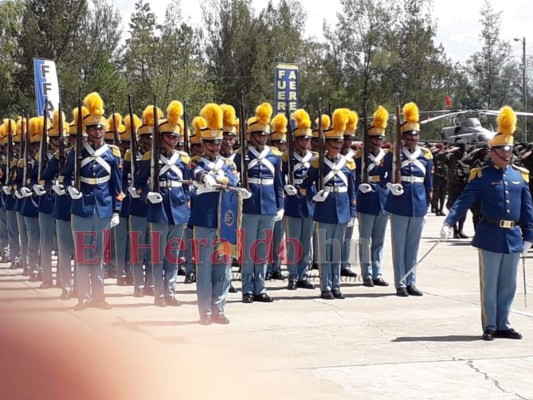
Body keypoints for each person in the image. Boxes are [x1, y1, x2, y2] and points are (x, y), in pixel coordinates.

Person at [441, 106, 533, 341]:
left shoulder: (519, 176)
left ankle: (504, 323)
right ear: (492, 152)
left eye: (509, 149)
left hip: (512, 236)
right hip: (490, 234)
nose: (507, 153)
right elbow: (464, 200)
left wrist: (529, 236)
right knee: (489, 284)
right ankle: (490, 324)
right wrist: (450, 221)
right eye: (502, 149)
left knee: (508, 285)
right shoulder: (481, 176)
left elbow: (527, 208)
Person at [62, 92, 123, 310]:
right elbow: (64, 175)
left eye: (100, 128)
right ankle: (84, 297)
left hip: (104, 207)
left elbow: (118, 186)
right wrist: (70, 188)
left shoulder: (112, 153)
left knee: (97, 256)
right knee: (82, 255)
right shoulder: (76, 152)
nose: (98, 132)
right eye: (93, 128)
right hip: (82, 207)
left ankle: (99, 297)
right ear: (86, 131)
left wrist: (117, 209)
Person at [136, 101, 190, 307]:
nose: (173, 140)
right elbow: (139, 183)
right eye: (169, 136)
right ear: (161, 138)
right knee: (157, 256)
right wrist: (147, 195)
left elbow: (187, 183)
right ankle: (159, 294)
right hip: (158, 210)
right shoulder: (150, 157)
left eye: (176, 137)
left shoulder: (183, 158)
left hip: (178, 209)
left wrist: (186, 201)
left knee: (173, 256)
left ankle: (171, 292)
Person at [189, 103, 240, 324]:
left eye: (218, 142)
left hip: (225, 222)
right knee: (204, 269)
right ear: (203, 143)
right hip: (204, 222)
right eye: (210, 142)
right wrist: (207, 177)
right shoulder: (195, 162)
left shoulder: (228, 164)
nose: (215, 146)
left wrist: (227, 181)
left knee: (223, 268)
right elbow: (196, 172)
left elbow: (235, 179)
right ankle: (205, 312)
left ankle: (219, 308)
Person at [301, 109, 357, 300]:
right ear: (327, 143)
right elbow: (305, 187)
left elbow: (351, 191)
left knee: (337, 251)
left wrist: (352, 212)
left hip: (342, 209)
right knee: (325, 252)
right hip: (325, 210)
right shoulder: (318, 164)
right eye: (335, 142)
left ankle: (336, 285)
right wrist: (314, 196)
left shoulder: (347, 164)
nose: (339, 145)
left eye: (341, 142)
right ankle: (326, 286)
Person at [234, 102, 283, 304]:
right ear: (251, 136)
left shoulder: (274, 156)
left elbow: (279, 183)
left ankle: (259, 288)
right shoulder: (241, 156)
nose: (263, 138)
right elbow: (235, 179)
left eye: (265, 135)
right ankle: (247, 288)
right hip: (249, 206)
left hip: (269, 207)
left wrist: (280, 205)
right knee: (248, 251)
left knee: (262, 250)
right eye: (259, 135)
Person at [384, 102, 433, 297]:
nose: (413, 138)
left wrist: (427, 205)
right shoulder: (394, 154)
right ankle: (400, 283)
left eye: (416, 135)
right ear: (403, 137)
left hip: (419, 204)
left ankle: (411, 281)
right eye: (409, 135)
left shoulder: (426, 156)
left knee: (413, 246)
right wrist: (391, 186)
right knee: (399, 245)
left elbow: (429, 183)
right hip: (399, 204)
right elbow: (381, 175)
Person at [355, 106, 392, 287]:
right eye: (374, 138)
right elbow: (353, 178)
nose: (377, 141)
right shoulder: (359, 157)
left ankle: (377, 272)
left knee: (379, 241)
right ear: (367, 139)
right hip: (366, 201)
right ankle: (367, 273)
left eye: (380, 138)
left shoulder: (387, 157)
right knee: (365, 239)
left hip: (383, 201)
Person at [282, 109, 316, 290]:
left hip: (309, 202)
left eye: (308, 139)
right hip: (293, 202)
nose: (306, 142)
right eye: (302, 139)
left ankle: (303, 274)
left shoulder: (315, 159)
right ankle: (293, 275)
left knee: (306, 241)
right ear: (295, 141)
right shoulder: (287, 158)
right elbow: (281, 179)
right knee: (293, 242)